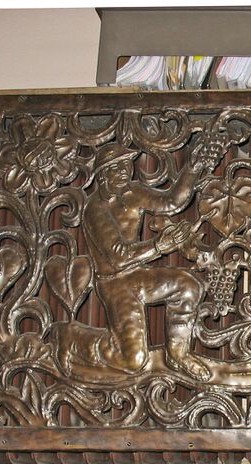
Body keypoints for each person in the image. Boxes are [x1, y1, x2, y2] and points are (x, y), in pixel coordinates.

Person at [76, 142, 210, 381]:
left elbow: (171, 202)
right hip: (114, 283)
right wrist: (159, 246)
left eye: (126, 166)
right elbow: (118, 256)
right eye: (116, 168)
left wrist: (192, 168)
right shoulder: (94, 209)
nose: (124, 172)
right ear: (102, 175)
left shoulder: (133, 192)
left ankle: (178, 354)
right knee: (134, 361)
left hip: (136, 275)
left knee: (188, 286)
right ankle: (77, 338)